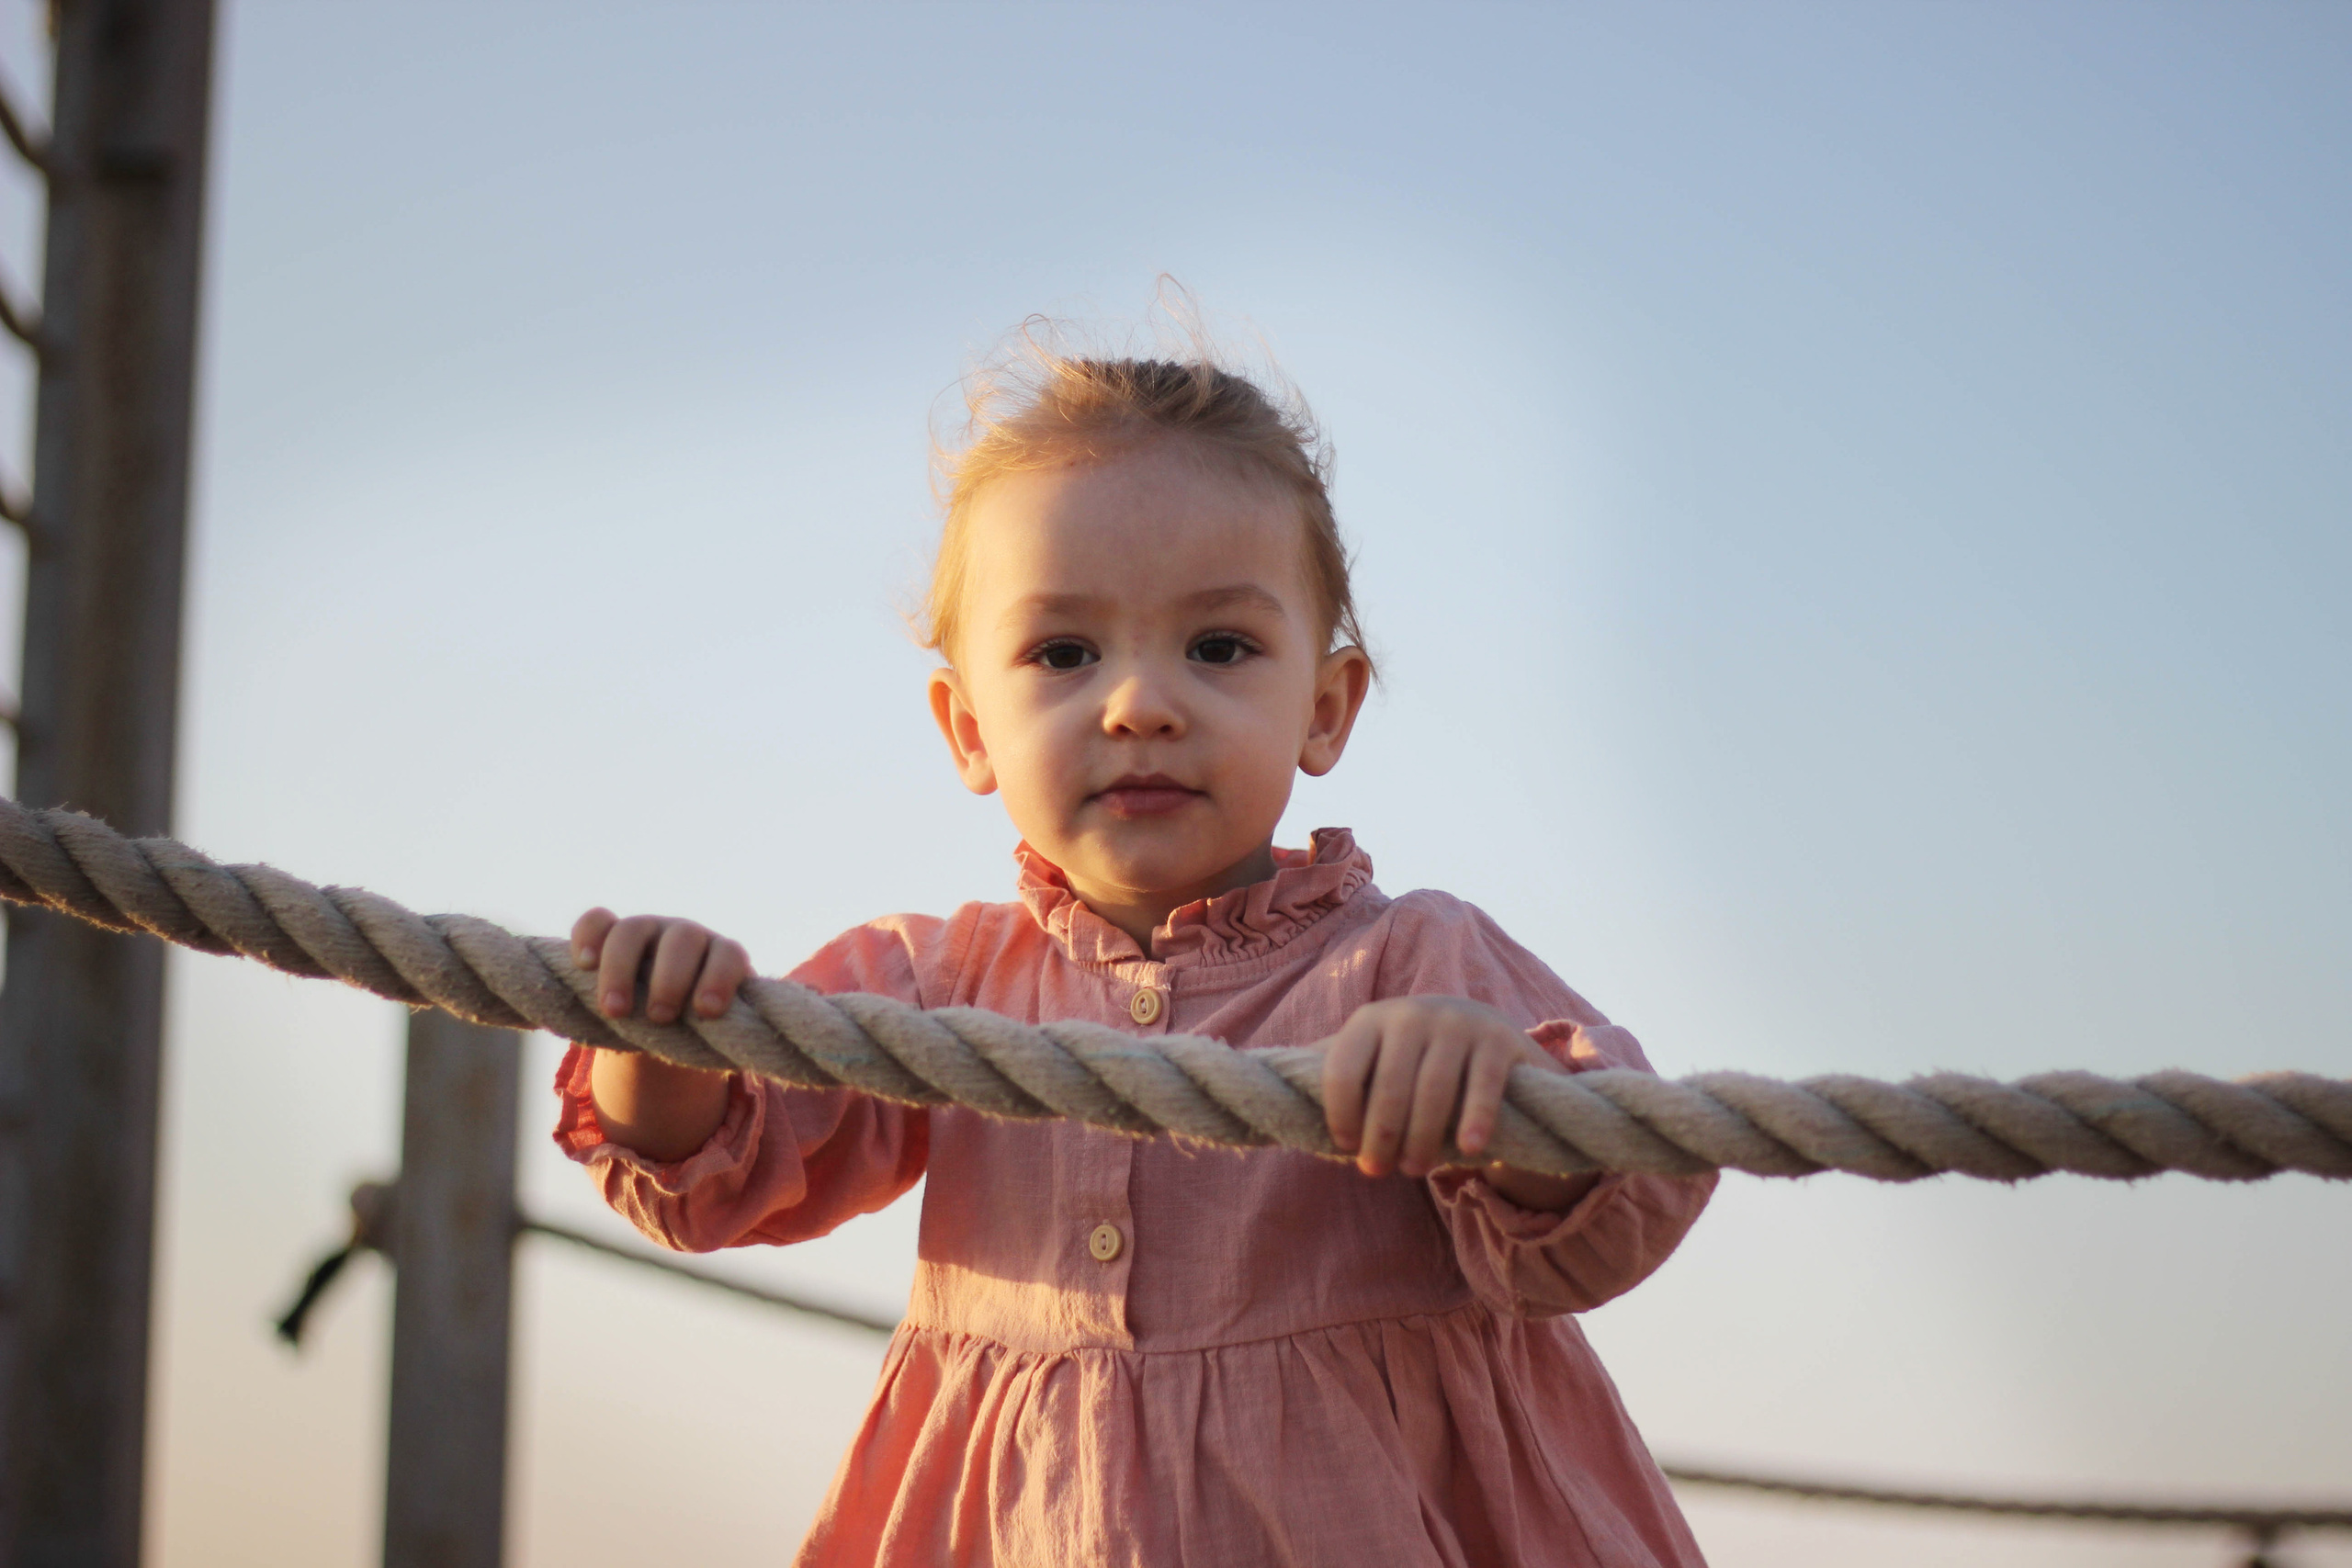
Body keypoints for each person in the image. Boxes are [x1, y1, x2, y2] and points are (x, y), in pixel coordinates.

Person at [554, 344, 1716, 1566]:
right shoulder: (933, 990)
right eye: (1063, 654)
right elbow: (722, 1172)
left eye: (1219, 647)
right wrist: (661, 1040)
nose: (1140, 703)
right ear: (968, 728)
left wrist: (1491, 1098)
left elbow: (1615, 1214)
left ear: (1325, 708)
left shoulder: (1412, 963)